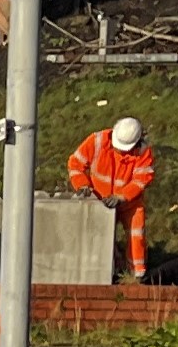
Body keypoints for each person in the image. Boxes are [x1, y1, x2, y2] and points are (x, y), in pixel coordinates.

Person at [67, 114, 157, 282]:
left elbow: (141, 180)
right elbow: (75, 164)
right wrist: (83, 185)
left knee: (136, 234)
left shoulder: (143, 153)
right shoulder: (97, 141)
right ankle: (102, 271)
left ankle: (137, 275)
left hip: (129, 203)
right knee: (97, 237)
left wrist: (122, 197)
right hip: (100, 202)